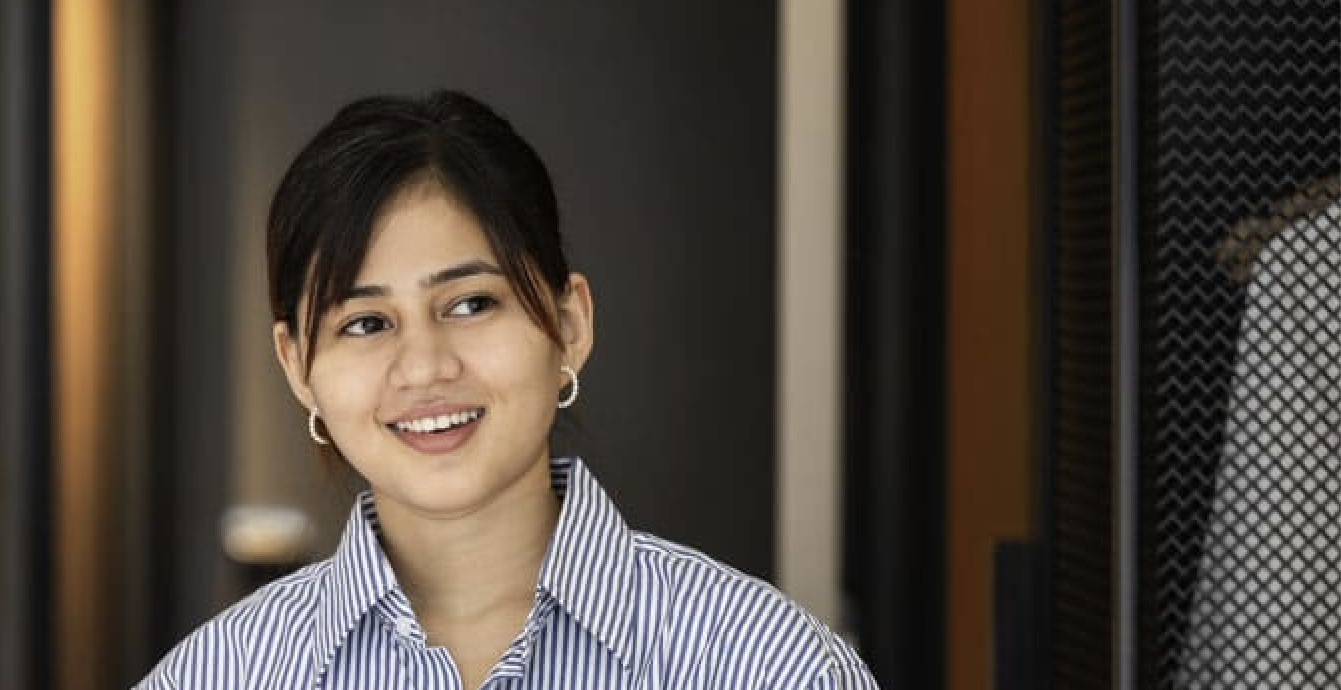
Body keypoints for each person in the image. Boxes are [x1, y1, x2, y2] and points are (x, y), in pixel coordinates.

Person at [136, 90, 875, 689]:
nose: (423, 367)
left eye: (470, 304)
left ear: (569, 323)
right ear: (298, 366)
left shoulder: (762, 664)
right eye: (365, 323)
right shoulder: (222, 674)